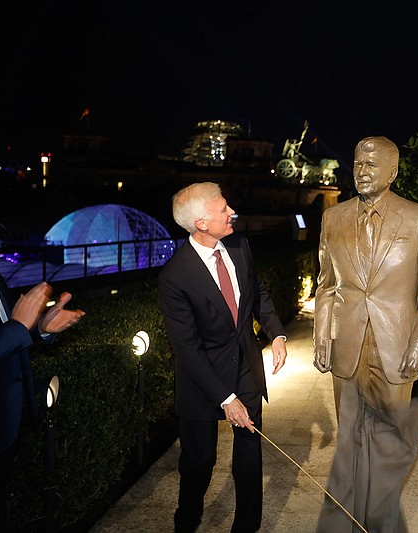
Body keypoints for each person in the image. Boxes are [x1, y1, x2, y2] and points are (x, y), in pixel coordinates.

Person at [313, 136, 418, 532]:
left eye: (371, 165)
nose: (361, 172)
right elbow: (326, 285)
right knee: (350, 443)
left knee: (389, 446)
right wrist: (323, 336)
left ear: (392, 171)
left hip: (395, 349)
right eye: (357, 163)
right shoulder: (333, 218)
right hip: (347, 351)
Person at [158, 182, 288, 533]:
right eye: (222, 210)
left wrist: (276, 332)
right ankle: (186, 523)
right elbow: (187, 348)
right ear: (201, 222)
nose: (231, 213)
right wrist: (225, 399)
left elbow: (257, 291)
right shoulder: (174, 277)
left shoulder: (239, 245)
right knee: (199, 464)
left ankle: (246, 527)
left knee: (248, 455)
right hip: (201, 381)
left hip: (245, 366)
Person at [0, 277, 85, 526]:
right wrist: (18, 327)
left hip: (9, 425)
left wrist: (40, 328)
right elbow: (12, 330)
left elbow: (8, 334)